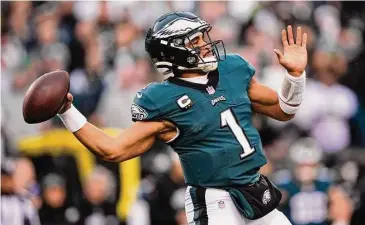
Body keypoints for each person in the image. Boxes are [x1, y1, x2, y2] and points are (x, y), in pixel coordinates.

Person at [56, 11, 307, 225]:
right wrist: (67, 111)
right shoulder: (164, 100)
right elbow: (112, 149)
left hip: (254, 188)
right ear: (173, 52)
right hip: (214, 200)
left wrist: (295, 76)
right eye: (194, 41)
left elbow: (284, 110)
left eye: (202, 37)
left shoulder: (232, 71)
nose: (205, 44)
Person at [275, 138, 353, 225]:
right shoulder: (285, 183)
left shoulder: (325, 182)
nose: (306, 170)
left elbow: (342, 208)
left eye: (310, 166)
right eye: (302, 166)